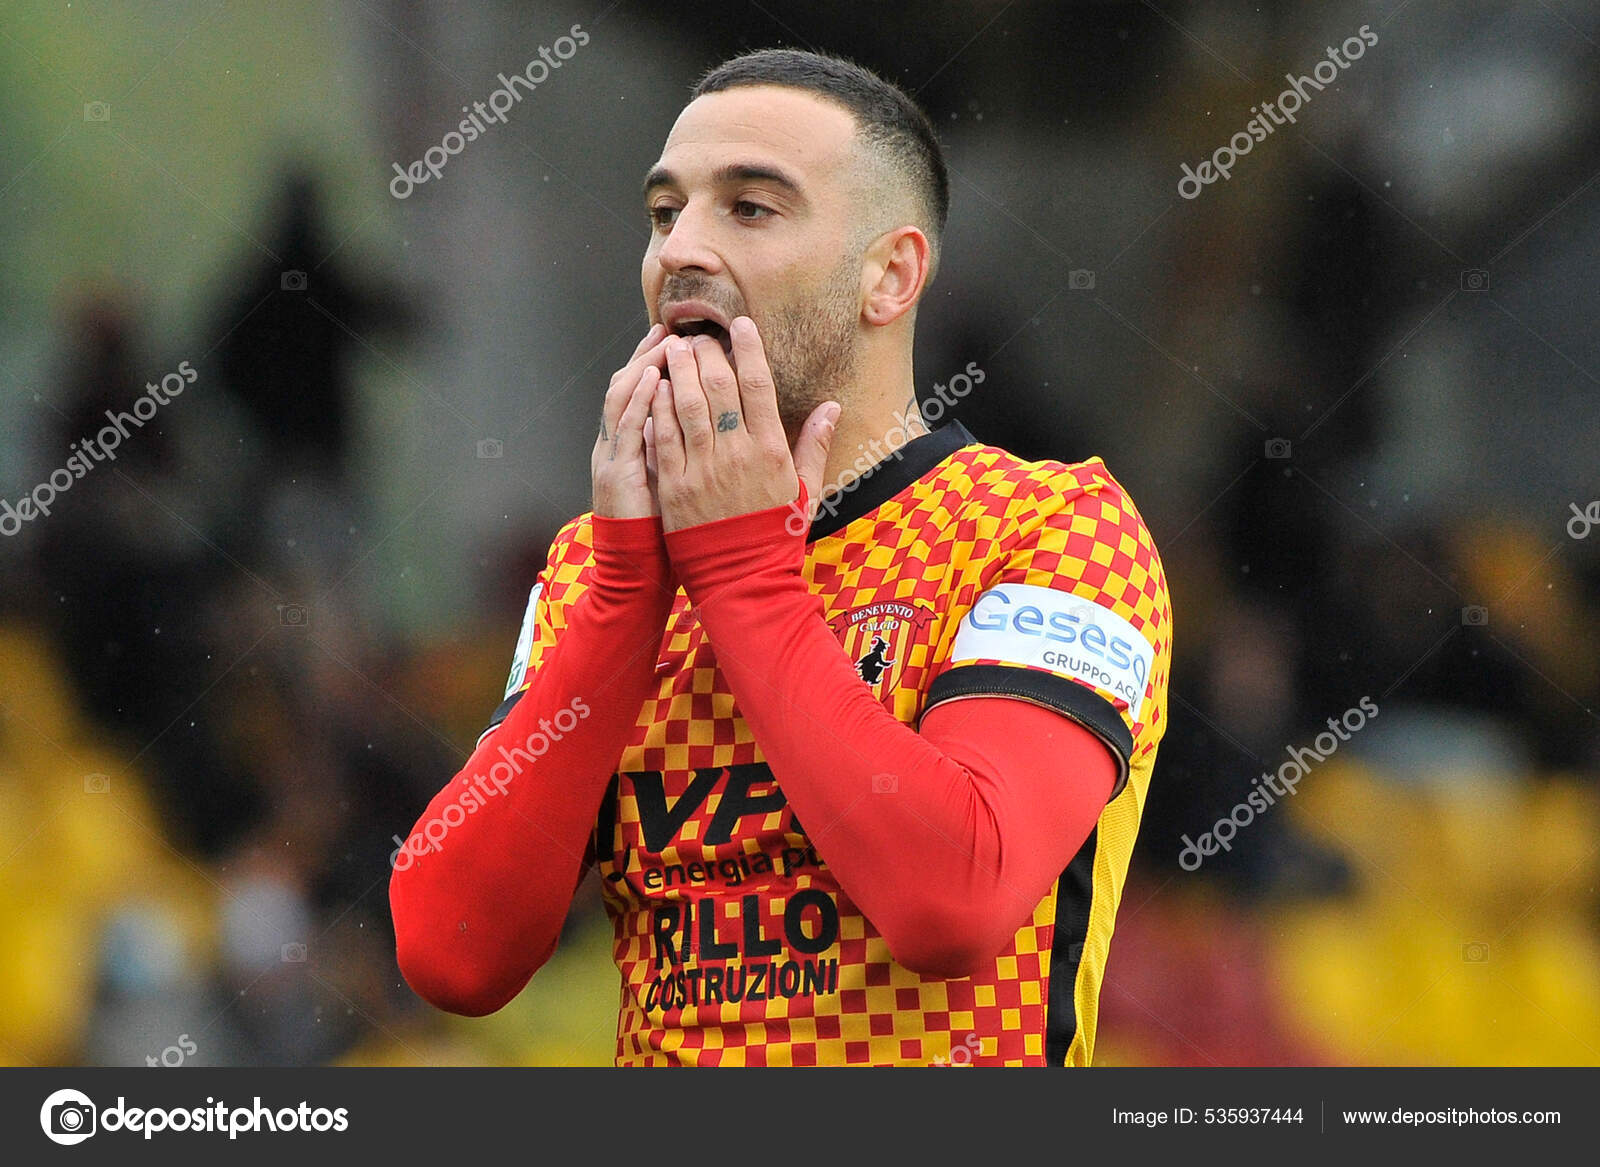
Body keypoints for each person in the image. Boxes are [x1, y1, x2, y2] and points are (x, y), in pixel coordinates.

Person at [390, 48, 1172, 1067]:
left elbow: (952, 903)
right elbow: (455, 955)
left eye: (750, 209)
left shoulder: (1047, 528)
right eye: (665, 214)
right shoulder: (597, 568)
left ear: (889, 275)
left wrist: (745, 576)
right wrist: (629, 596)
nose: (682, 250)